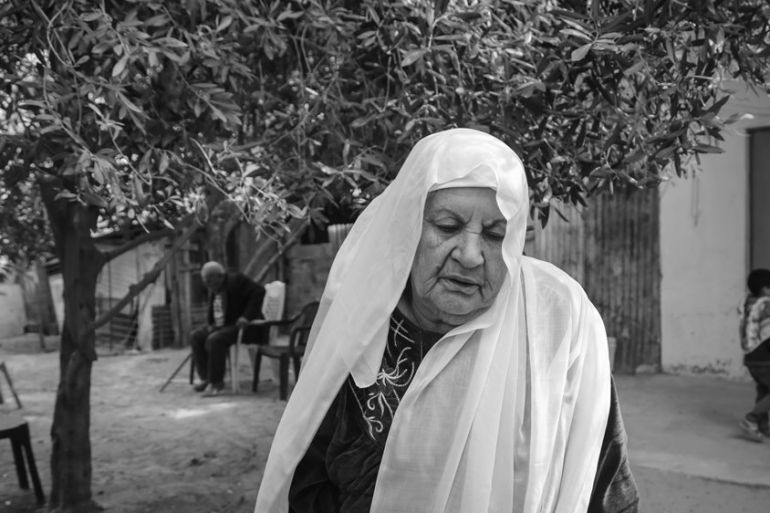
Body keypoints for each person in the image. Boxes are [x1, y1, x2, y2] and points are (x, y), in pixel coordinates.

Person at [254, 129, 638, 513]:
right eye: (448, 226)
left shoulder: (558, 318)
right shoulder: (363, 316)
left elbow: (606, 482)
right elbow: (311, 479)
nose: (470, 255)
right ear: (408, 227)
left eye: (495, 235)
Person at [191, 261, 266, 396]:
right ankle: (206, 378)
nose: (207, 285)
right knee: (197, 336)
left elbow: (259, 291)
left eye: (209, 281)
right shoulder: (215, 288)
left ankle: (216, 383)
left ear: (219, 276)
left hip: (246, 327)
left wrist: (246, 316)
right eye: (205, 282)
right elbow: (214, 311)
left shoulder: (237, 280)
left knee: (215, 340)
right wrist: (211, 325)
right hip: (224, 326)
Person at [737, 268, 770, 442]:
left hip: (751, 357)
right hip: (765, 358)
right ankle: (751, 419)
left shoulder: (748, 304)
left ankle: (762, 425)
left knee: (764, 390)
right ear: (765, 289)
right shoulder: (766, 306)